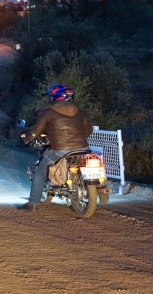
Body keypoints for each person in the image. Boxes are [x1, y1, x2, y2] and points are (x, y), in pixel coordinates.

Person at [19, 84, 93, 212]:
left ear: (54, 97)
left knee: (40, 173)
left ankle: (33, 203)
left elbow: (36, 132)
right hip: (83, 148)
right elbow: (89, 130)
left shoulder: (48, 112)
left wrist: (27, 138)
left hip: (60, 149)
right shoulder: (79, 112)